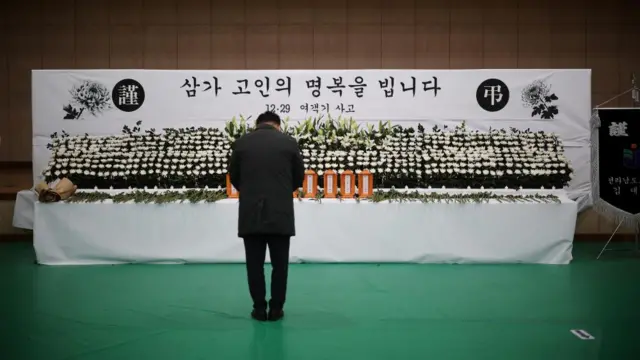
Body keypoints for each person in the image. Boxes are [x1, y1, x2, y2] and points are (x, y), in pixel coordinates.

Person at [228, 111, 305, 322]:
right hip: (280, 212)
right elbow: (299, 177)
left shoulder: (241, 143)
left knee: (254, 264)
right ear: (277, 125)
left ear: (257, 124)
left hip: (251, 212)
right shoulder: (289, 143)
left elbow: (234, 176)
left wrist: (250, 191)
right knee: (280, 266)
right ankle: (277, 308)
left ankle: (259, 308)